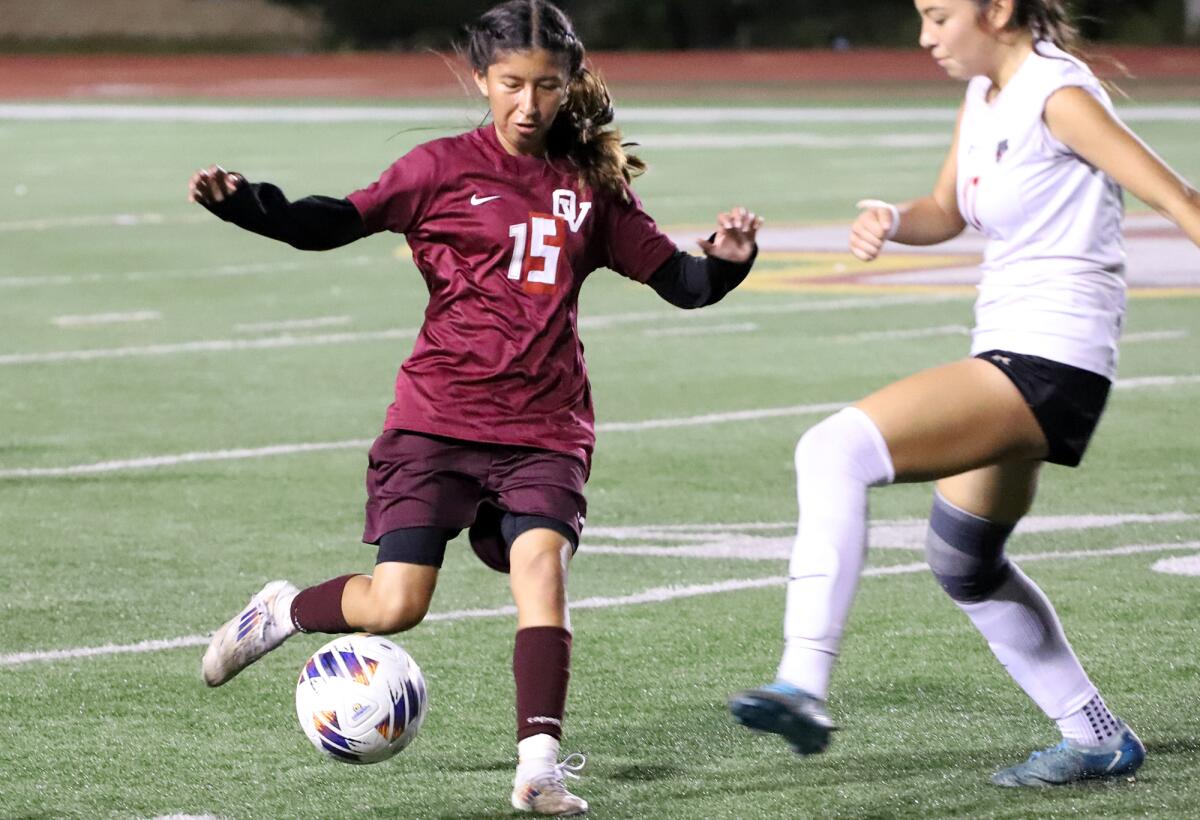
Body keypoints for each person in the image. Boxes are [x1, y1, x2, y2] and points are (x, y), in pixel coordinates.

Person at [190, 1, 760, 815]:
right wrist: (250, 205)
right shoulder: (437, 170)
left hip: (545, 430)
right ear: (482, 79)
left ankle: (538, 768)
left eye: (548, 87)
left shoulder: (591, 188)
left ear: (571, 85)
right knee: (395, 606)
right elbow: (333, 223)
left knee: (541, 575)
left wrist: (730, 263)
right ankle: (281, 610)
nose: (529, 105)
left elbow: (684, 282)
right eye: (511, 85)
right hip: (435, 421)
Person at [729, 0, 1200, 788]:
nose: (925, 37)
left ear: (999, 9)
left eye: (939, 16)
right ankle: (1096, 736)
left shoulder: (1060, 96)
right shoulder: (985, 95)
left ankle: (802, 684)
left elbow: (1181, 201)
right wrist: (892, 217)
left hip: (1052, 361)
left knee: (831, 449)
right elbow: (946, 211)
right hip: (1014, 353)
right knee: (965, 562)